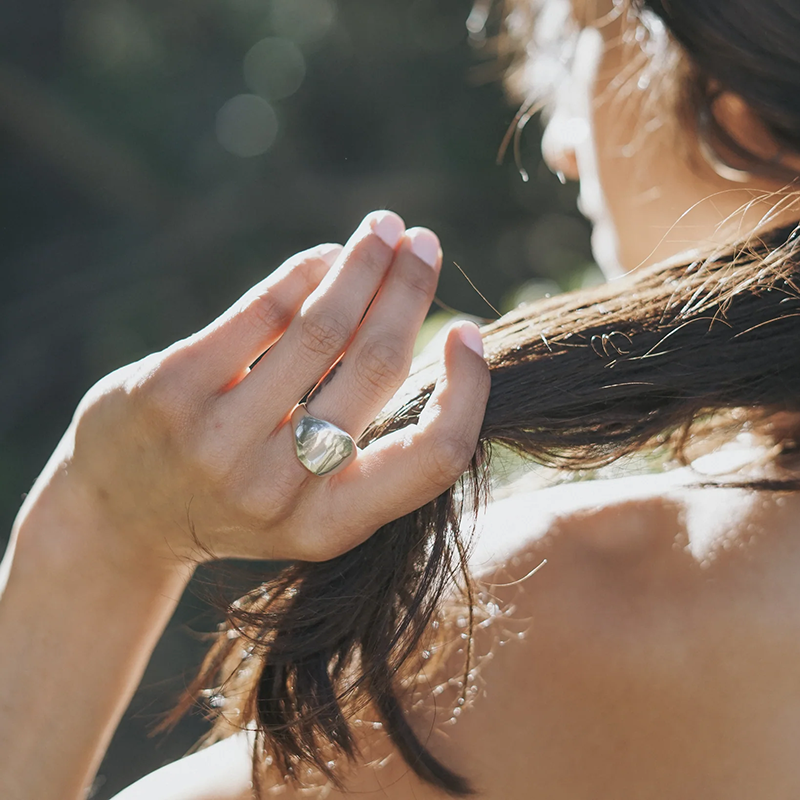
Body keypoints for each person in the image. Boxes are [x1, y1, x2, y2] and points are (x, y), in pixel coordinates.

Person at [5, 0, 800, 797]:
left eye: (585, 35)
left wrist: (104, 526)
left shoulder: (574, 609)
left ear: (749, 115)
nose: (559, 146)